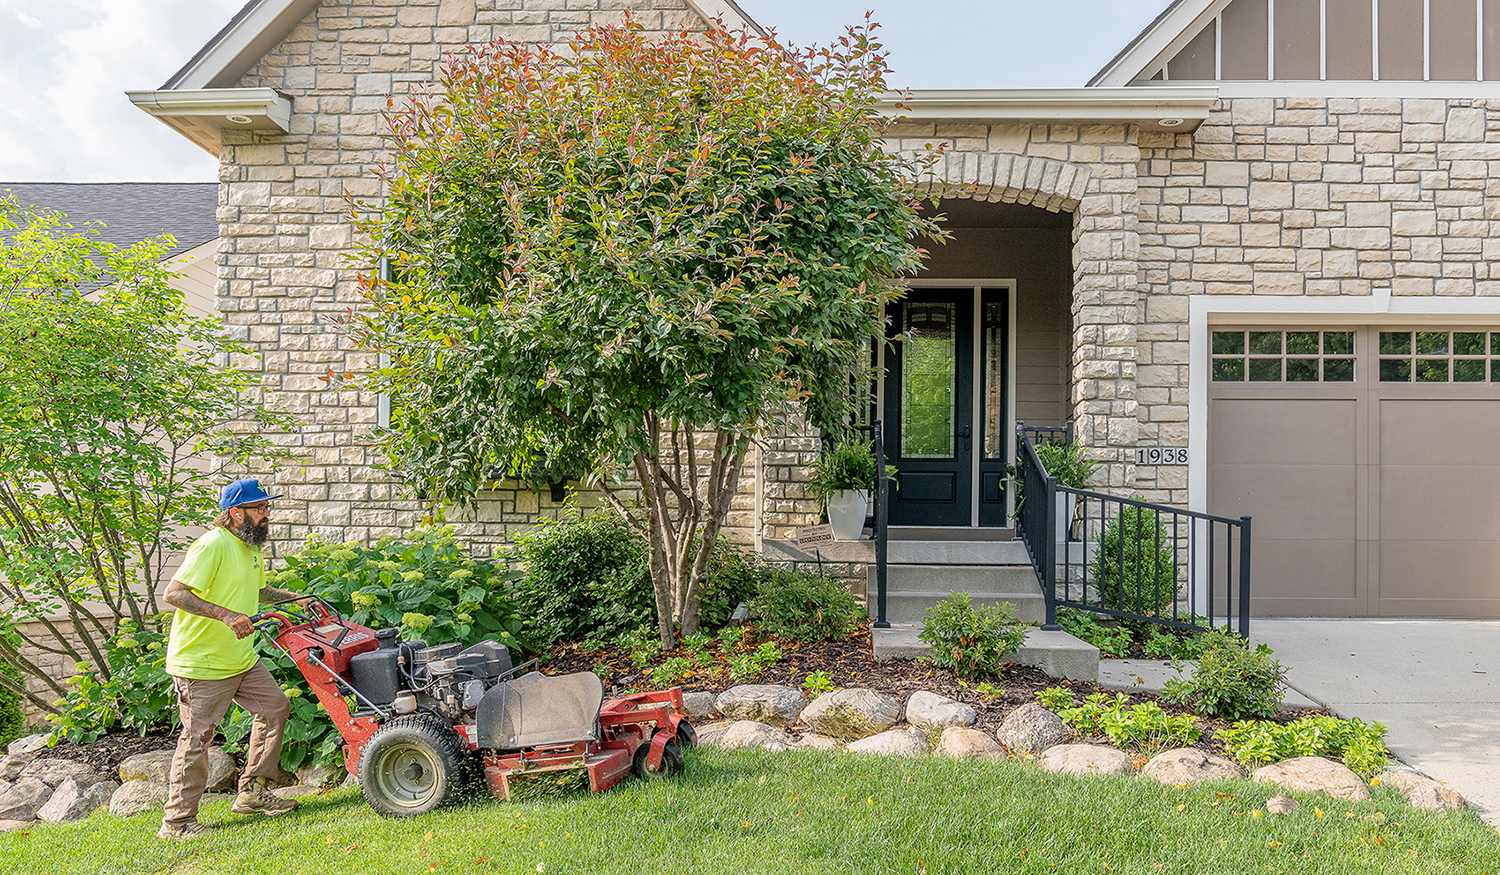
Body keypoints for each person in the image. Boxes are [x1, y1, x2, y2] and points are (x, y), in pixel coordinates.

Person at [157, 478, 309, 840]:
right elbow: (174, 593)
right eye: (260, 508)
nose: (266, 514)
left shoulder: (250, 547)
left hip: (240, 657)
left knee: (274, 708)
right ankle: (177, 823)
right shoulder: (212, 545)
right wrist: (226, 616)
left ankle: (253, 791)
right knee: (197, 739)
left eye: (267, 507)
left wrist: (294, 598)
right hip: (202, 663)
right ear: (235, 513)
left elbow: (257, 591)